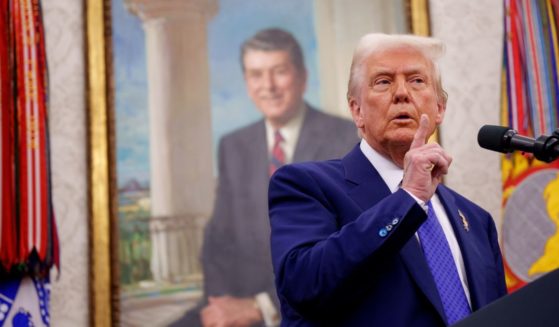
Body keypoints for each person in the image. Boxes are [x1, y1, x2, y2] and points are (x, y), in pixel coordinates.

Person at [268, 33, 507, 326]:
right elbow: (303, 286)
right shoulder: (306, 185)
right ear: (357, 110)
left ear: (439, 108)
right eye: (383, 81)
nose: (402, 93)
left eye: (417, 80)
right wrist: (408, 198)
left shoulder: (476, 220)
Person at [171, 28, 358, 327]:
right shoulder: (233, 146)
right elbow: (217, 239)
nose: (268, 86)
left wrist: (262, 307)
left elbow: (349, 246)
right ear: (247, 82)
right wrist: (223, 305)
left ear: (302, 77)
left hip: (317, 308)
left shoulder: (346, 137)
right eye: (256, 75)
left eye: (279, 72)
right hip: (240, 305)